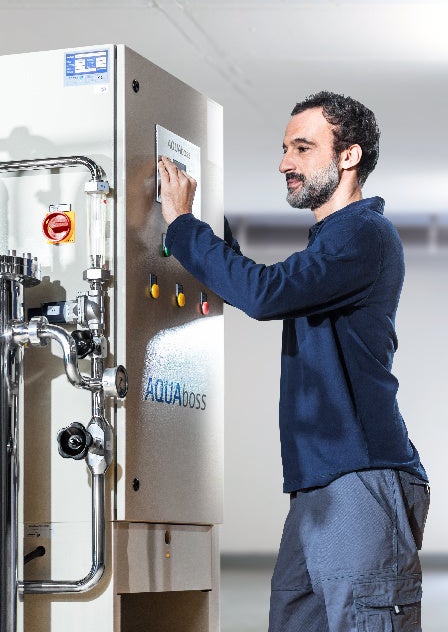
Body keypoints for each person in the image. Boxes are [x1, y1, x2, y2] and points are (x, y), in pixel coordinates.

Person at [158, 91, 429, 632]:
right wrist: (206, 232)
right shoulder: (331, 242)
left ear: (347, 157)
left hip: (361, 475)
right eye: (285, 148)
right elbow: (265, 286)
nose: (285, 162)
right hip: (320, 482)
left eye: (303, 148)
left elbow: (265, 294)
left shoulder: (363, 233)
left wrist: (185, 226)